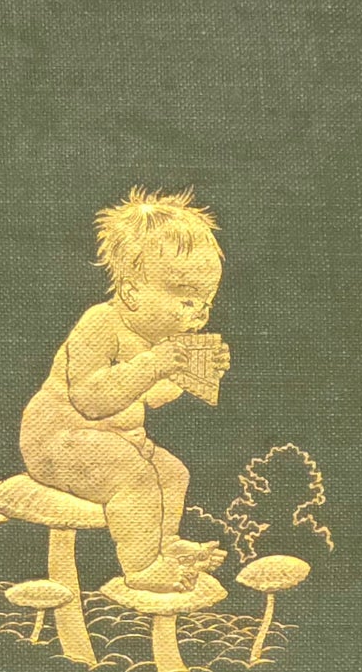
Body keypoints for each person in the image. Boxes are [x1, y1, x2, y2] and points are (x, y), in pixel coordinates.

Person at [19, 189, 232, 592]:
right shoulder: (100, 323)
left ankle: (165, 545)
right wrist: (153, 365)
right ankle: (141, 569)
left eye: (205, 303)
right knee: (135, 476)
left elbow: (151, 396)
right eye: (186, 300)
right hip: (58, 440)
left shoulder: (155, 340)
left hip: (119, 441)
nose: (199, 314)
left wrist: (185, 376)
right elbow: (90, 400)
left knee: (173, 473)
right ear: (132, 292)